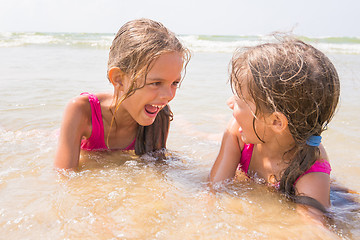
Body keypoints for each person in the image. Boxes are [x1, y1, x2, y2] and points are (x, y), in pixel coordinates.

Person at [209, 37, 340, 224]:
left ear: (277, 122)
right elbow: (215, 189)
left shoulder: (310, 167)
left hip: (331, 195)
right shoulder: (237, 132)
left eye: (238, 102)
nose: (229, 103)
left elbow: (314, 228)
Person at [54, 18, 191, 170]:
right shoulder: (82, 110)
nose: (167, 96)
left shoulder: (160, 115)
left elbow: (156, 165)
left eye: (174, 83)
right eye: (156, 83)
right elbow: (64, 176)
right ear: (119, 79)